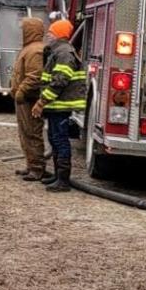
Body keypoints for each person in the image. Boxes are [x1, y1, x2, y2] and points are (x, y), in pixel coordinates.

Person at [32, 19, 86, 192]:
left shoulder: (63, 53)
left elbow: (59, 81)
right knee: (55, 139)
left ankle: (63, 180)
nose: (48, 35)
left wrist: (42, 102)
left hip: (60, 105)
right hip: (56, 105)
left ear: (58, 34)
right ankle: (58, 176)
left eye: (51, 32)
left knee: (60, 140)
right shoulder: (59, 51)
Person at [9, 17, 49, 180]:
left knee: (32, 132)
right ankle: (31, 164)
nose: (21, 32)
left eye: (24, 29)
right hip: (25, 99)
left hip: (29, 99)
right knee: (25, 132)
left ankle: (37, 168)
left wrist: (21, 91)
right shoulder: (30, 48)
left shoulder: (35, 50)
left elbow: (35, 76)